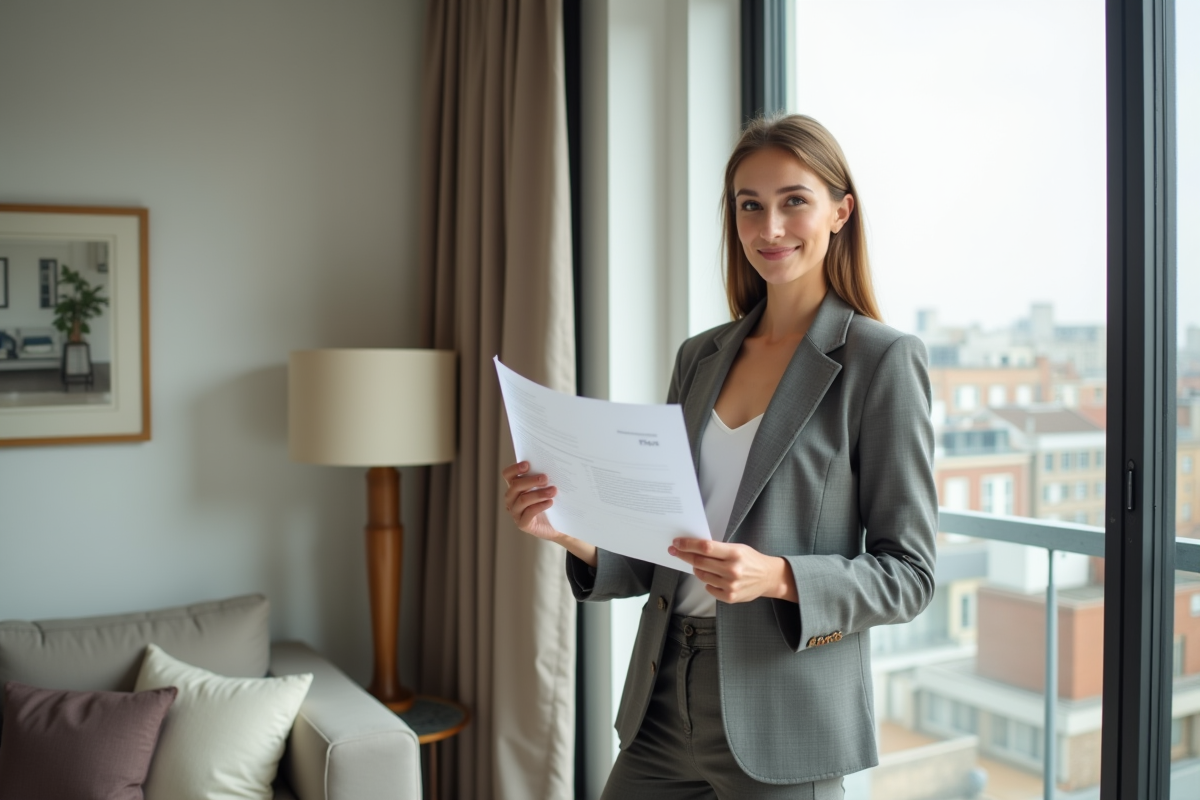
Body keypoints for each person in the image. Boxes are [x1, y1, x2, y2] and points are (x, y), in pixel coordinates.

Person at [502, 114, 938, 800]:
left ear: (840, 211)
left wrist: (779, 577)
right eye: (749, 205)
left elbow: (910, 575)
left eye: (794, 200)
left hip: (782, 706)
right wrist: (571, 532)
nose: (770, 229)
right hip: (663, 693)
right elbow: (667, 543)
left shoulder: (880, 362)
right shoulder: (701, 357)